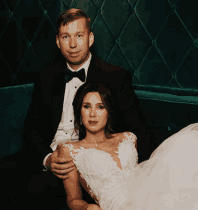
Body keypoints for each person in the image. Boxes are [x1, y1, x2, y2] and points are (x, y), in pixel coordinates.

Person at [0, 8, 151, 209]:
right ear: (57, 42)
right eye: (65, 37)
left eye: (79, 36)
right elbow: (31, 130)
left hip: (85, 165)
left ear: (91, 38)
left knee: (34, 192)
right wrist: (48, 159)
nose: (72, 44)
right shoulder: (46, 76)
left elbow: (138, 132)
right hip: (48, 157)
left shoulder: (115, 76)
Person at [58, 82, 198, 210]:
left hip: (147, 190)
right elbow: (73, 200)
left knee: (186, 144)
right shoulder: (70, 150)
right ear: (79, 111)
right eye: (86, 106)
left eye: (101, 107)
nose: (93, 114)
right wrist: (88, 207)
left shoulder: (128, 138)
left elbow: (138, 173)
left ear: (108, 113)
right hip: (120, 205)